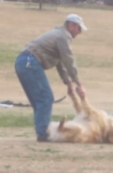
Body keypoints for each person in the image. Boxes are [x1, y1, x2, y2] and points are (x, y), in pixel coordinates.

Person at [14, 14, 87, 142]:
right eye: (79, 28)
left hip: (23, 62)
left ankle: (42, 133)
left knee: (40, 101)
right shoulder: (63, 36)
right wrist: (79, 84)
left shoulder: (59, 35)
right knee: (46, 98)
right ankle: (43, 134)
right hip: (30, 61)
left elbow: (60, 64)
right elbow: (69, 60)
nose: (80, 32)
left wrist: (69, 84)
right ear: (71, 26)